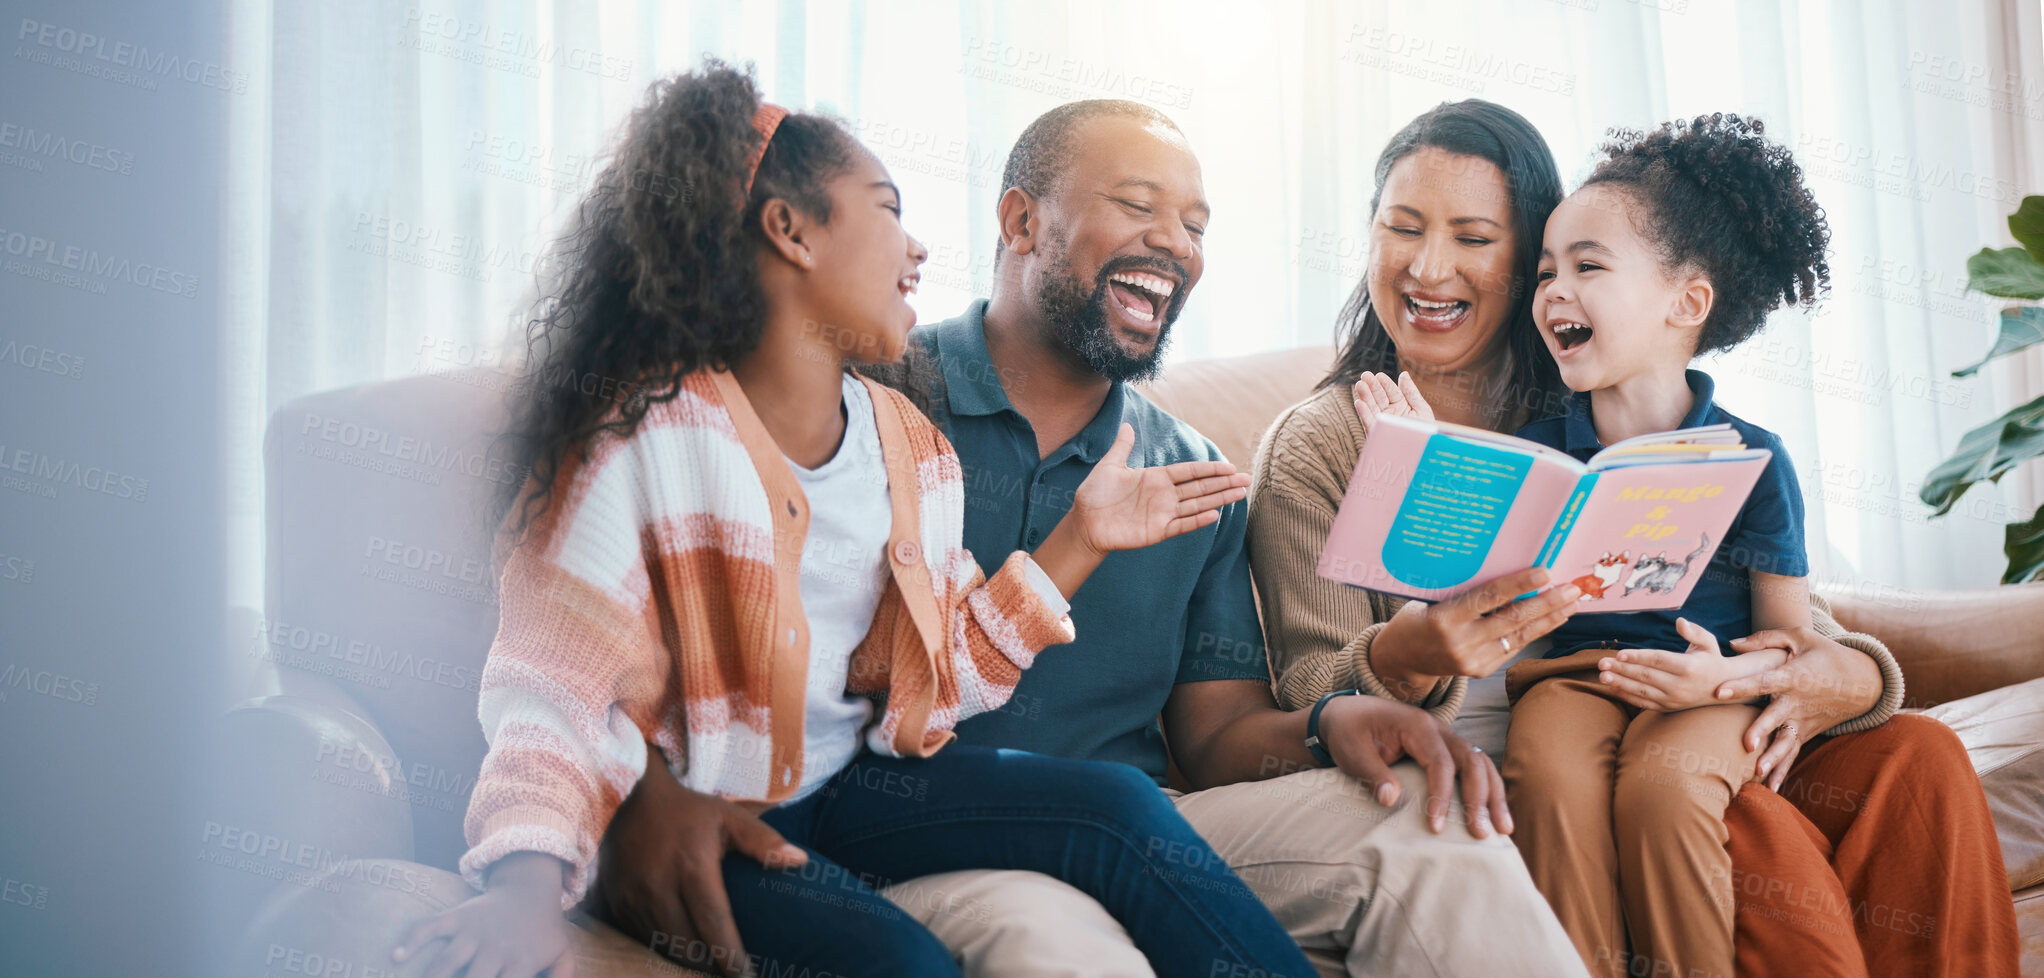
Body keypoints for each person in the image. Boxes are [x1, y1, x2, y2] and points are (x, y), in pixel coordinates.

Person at [598, 98, 1591, 978]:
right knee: (1062, 945)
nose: (1174, 243)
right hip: (923, 832)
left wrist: (1326, 725)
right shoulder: (873, 402)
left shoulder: (1191, 470)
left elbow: (1215, 737)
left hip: (1151, 823)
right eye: (1138, 205)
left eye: (1194, 225)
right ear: (1019, 220)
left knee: (1433, 834)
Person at [389, 64, 1319, 978]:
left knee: (1118, 806)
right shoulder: (647, 443)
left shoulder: (909, 449)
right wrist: (521, 885)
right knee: (901, 959)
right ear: (790, 233)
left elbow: (931, 674)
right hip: (716, 810)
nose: (917, 252)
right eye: (888, 212)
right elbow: (549, 692)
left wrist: (1078, 542)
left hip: (853, 788)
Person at [1250, 98, 2020, 978]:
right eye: (1402, 227)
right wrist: (1410, 648)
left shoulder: (1600, 393)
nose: (1430, 267)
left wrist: (1837, 675)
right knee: (1736, 825)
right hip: (1532, 755)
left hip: (1686, 698)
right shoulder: (1322, 443)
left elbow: (1778, 612)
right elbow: (1304, 691)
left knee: (1917, 756)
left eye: (1473, 238)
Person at [1353, 113, 1848, 978]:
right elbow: (1466, 596)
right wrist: (1419, 458)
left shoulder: (1753, 459)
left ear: (1686, 303)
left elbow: (1792, 639)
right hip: (1570, 677)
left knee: (1665, 790)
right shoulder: (1539, 446)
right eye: (1545, 270)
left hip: (1708, 689)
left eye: (1586, 267)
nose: (1552, 291)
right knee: (1545, 773)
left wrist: (1727, 679)